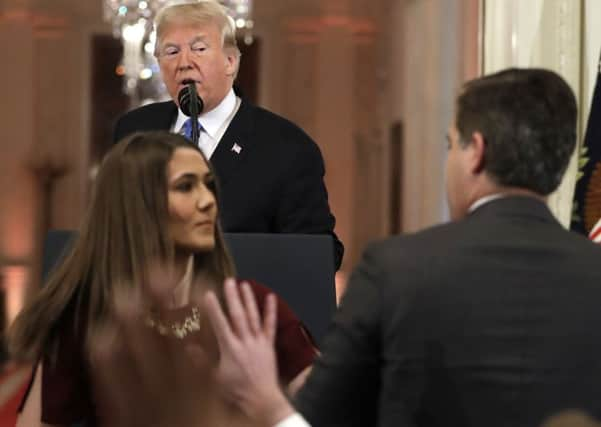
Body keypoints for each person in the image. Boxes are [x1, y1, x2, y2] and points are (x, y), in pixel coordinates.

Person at [203, 68, 601, 426]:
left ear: (475, 152)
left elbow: (318, 420)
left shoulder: (396, 270)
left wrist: (269, 404)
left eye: (450, 145)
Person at [8, 131, 317, 426]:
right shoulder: (87, 318)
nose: (208, 200)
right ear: (138, 205)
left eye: (209, 185)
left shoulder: (250, 306)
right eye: (186, 186)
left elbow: (331, 411)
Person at [113, 0, 344, 269]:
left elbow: (318, 253)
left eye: (199, 48)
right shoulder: (133, 130)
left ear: (230, 62)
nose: (184, 62)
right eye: (171, 51)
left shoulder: (287, 148)